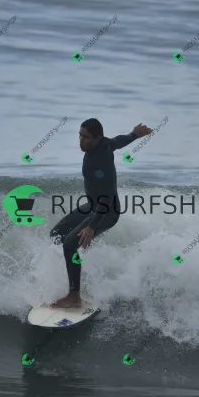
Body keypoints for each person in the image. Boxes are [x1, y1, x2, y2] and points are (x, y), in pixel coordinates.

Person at [49, 118, 153, 308]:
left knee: (70, 243)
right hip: (92, 206)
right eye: (80, 135)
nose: (81, 140)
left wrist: (91, 227)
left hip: (107, 212)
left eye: (86, 137)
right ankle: (79, 277)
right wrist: (134, 135)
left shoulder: (100, 162)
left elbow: (106, 197)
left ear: (97, 138)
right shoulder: (104, 144)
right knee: (57, 234)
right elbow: (117, 141)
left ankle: (74, 296)